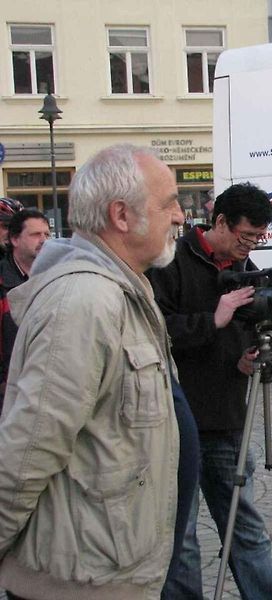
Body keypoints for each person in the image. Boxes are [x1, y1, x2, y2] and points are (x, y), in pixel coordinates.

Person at [0, 144, 184, 599]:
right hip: (78, 582)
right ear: (121, 215)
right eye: (169, 203)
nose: (180, 216)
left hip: (109, 571)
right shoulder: (84, 302)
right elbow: (26, 452)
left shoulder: (124, 290)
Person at [148, 182, 272, 600]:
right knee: (181, 540)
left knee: (247, 532)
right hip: (178, 423)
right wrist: (214, 318)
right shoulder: (169, 264)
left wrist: (257, 358)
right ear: (220, 221)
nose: (251, 245)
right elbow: (155, 332)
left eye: (259, 237)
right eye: (246, 236)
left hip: (229, 422)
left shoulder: (247, 266)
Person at [0, 209, 51, 400]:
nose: (44, 240)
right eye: (35, 234)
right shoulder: (3, 282)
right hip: (9, 393)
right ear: (15, 239)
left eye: (47, 234)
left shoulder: (56, 278)